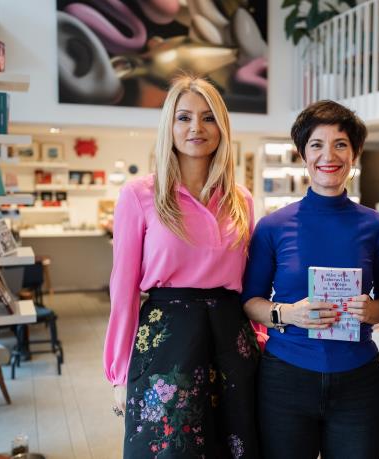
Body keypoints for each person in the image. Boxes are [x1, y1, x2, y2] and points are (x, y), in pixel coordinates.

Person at [103, 75, 260, 458]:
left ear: (221, 128)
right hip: (166, 338)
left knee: (236, 446)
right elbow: (123, 290)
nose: (196, 128)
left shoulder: (240, 199)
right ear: (169, 126)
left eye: (208, 118)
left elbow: (250, 282)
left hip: (230, 339)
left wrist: (260, 340)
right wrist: (119, 372)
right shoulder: (139, 195)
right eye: (184, 117)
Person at [242, 100, 379, 459]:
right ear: (302, 154)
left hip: (359, 381)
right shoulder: (273, 226)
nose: (329, 155)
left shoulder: (376, 226)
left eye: (340, 144)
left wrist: (373, 311)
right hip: (285, 379)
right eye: (316, 144)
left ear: (354, 153)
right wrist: (287, 313)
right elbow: (249, 301)